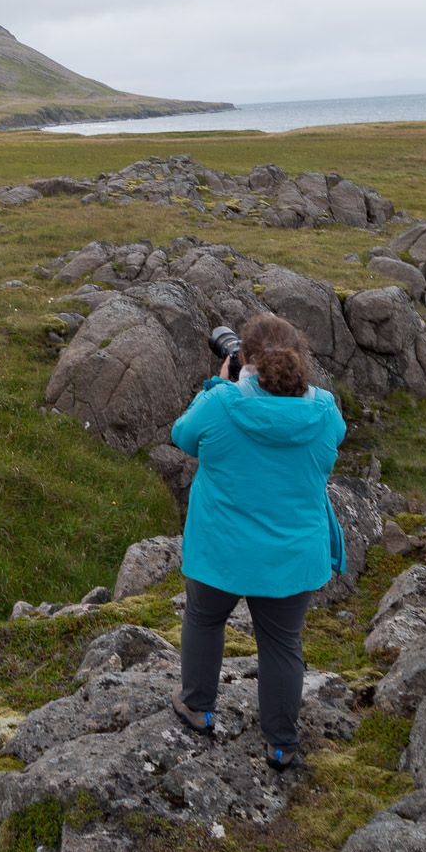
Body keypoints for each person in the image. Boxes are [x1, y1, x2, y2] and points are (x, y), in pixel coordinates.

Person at [168, 313, 346, 770]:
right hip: (292, 554)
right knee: (283, 644)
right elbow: (328, 450)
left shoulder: (222, 402)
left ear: (242, 358)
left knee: (205, 620)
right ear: (298, 357)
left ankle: (197, 707)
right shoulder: (325, 410)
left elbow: (182, 436)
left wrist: (218, 385)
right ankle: (281, 743)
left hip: (222, 549)